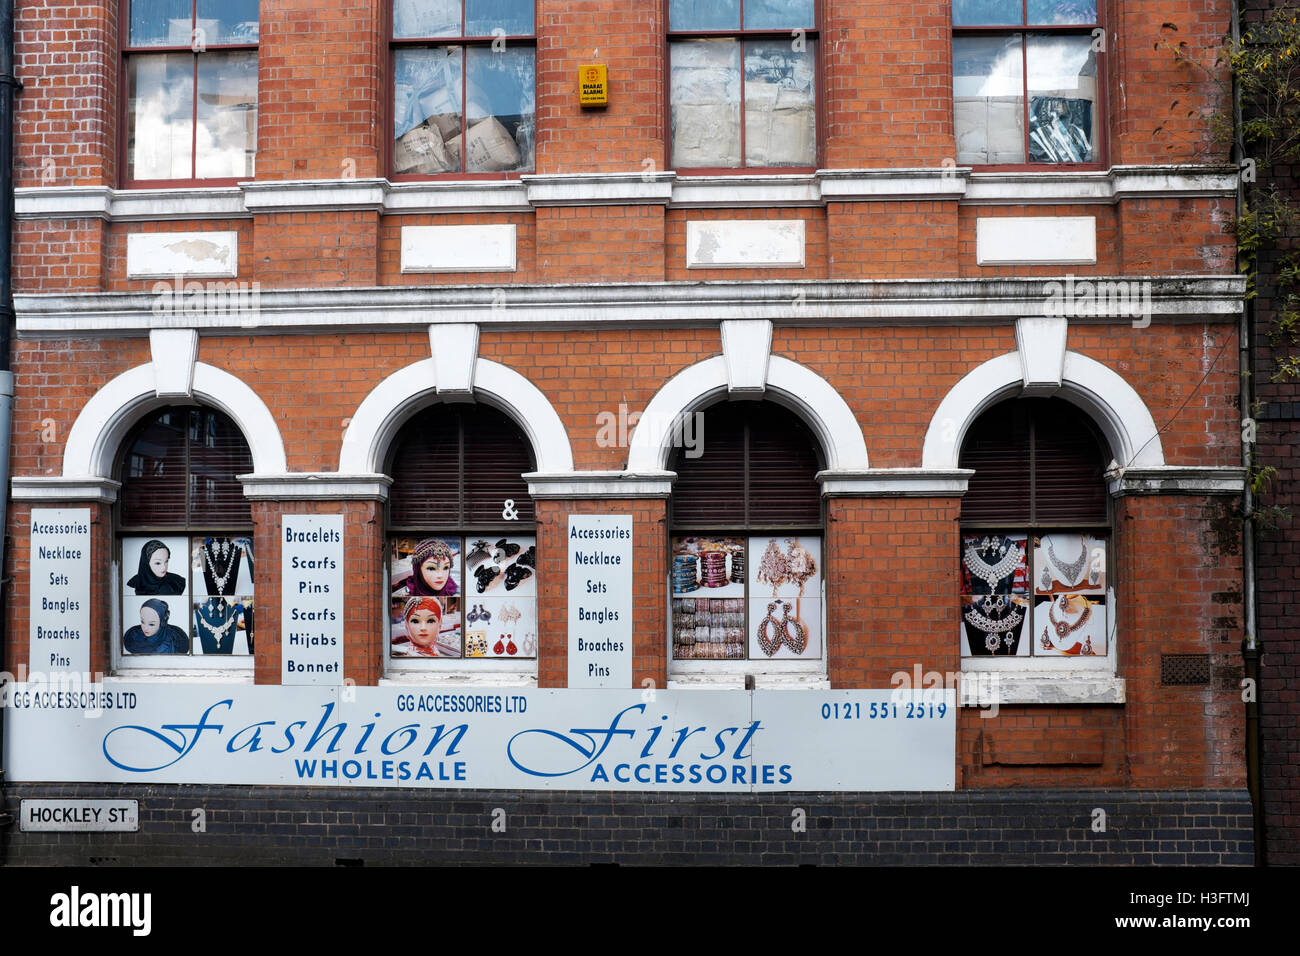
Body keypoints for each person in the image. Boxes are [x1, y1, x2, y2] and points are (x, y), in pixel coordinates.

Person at [123, 599, 190, 654]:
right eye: (142, 622)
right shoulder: (133, 638)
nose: (145, 628)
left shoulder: (175, 641)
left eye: (151, 624)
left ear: (162, 622)